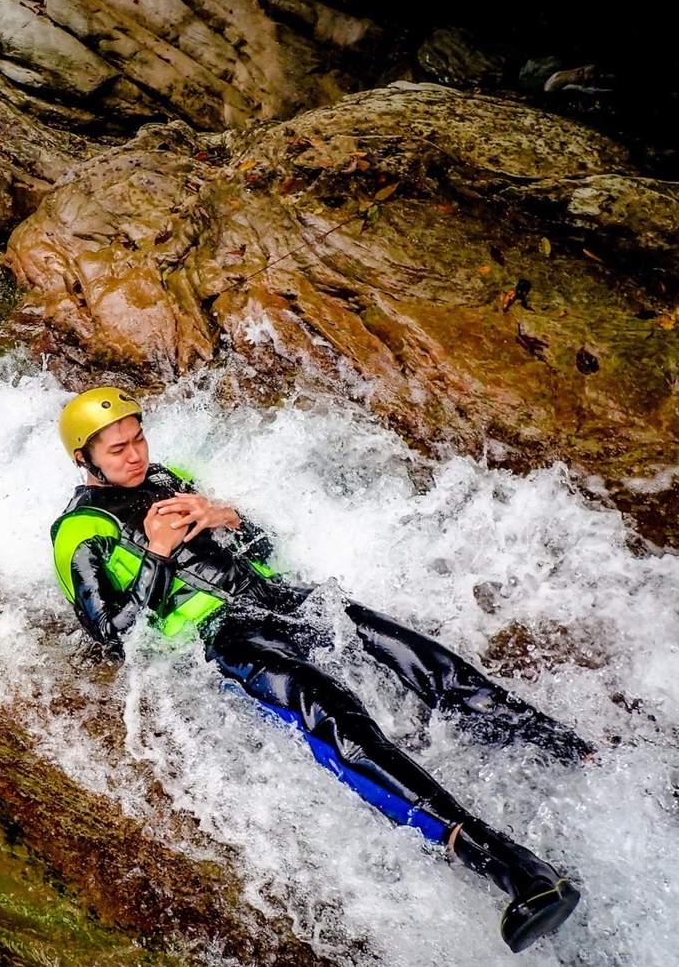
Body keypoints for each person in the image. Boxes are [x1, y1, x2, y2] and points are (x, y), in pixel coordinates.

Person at [49, 387, 589, 954]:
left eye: (138, 440)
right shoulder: (78, 534)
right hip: (226, 637)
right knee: (332, 712)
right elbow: (112, 637)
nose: (134, 456)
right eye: (117, 451)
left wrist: (227, 515)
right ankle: (510, 869)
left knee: (427, 661)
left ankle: (581, 755)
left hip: (282, 599)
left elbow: (259, 548)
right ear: (84, 460)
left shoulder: (168, 477)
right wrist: (157, 554)